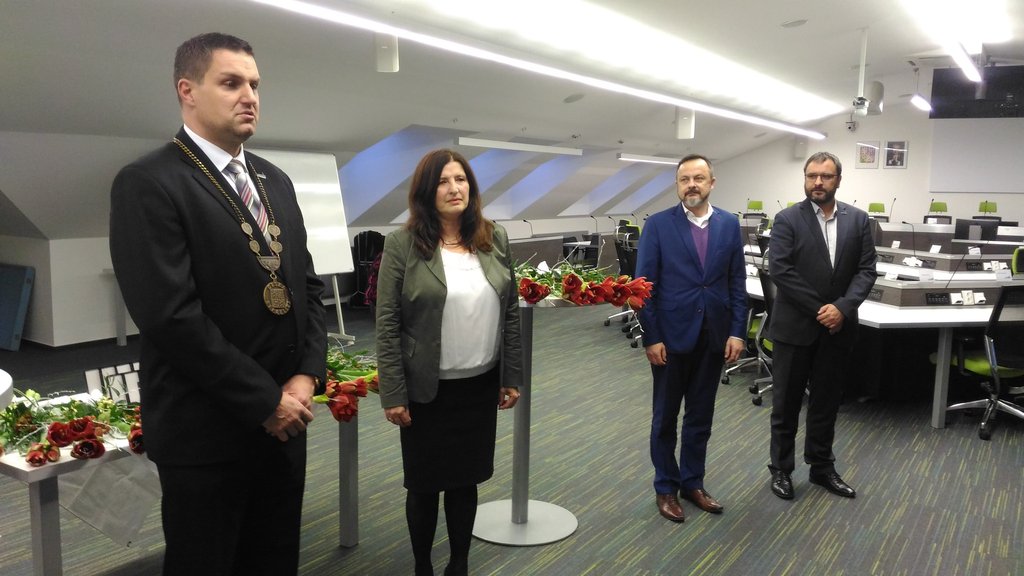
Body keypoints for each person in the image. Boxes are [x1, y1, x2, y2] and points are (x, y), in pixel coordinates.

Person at [109, 33, 326, 575]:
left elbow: (307, 288)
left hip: (285, 421)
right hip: (206, 431)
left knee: (274, 559)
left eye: (254, 84)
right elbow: (170, 317)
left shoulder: (275, 181)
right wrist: (266, 401)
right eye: (230, 83)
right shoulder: (149, 182)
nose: (249, 96)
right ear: (187, 91)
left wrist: (306, 377)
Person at [375, 149, 523, 576]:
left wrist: (511, 375)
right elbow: (387, 324)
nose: (454, 188)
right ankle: (422, 566)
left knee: (465, 480)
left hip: (478, 386)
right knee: (424, 486)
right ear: (426, 191)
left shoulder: (494, 238)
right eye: (442, 181)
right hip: (426, 390)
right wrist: (393, 394)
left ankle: (459, 563)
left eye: (460, 179)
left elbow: (511, 312)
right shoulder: (402, 244)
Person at [635, 154, 748, 523]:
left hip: (713, 336)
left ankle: (693, 482)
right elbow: (643, 288)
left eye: (698, 178)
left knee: (701, 416)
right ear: (677, 185)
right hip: (670, 338)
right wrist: (651, 336)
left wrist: (737, 330)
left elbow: (736, 282)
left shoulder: (729, 224)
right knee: (665, 418)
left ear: (712, 183)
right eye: (684, 179)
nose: (691, 185)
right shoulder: (658, 225)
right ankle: (665, 487)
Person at [766, 151, 877, 500]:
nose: (817, 182)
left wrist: (842, 308)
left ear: (838, 180)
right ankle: (781, 469)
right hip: (795, 329)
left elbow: (866, 270)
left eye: (826, 176)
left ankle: (821, 467)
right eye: (811, 175)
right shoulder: (787, 219)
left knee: (826, 404)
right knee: (786, 405)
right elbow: (781, 270)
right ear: (805, 178)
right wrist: (822, 310)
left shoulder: (858, 220)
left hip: (837, 330)